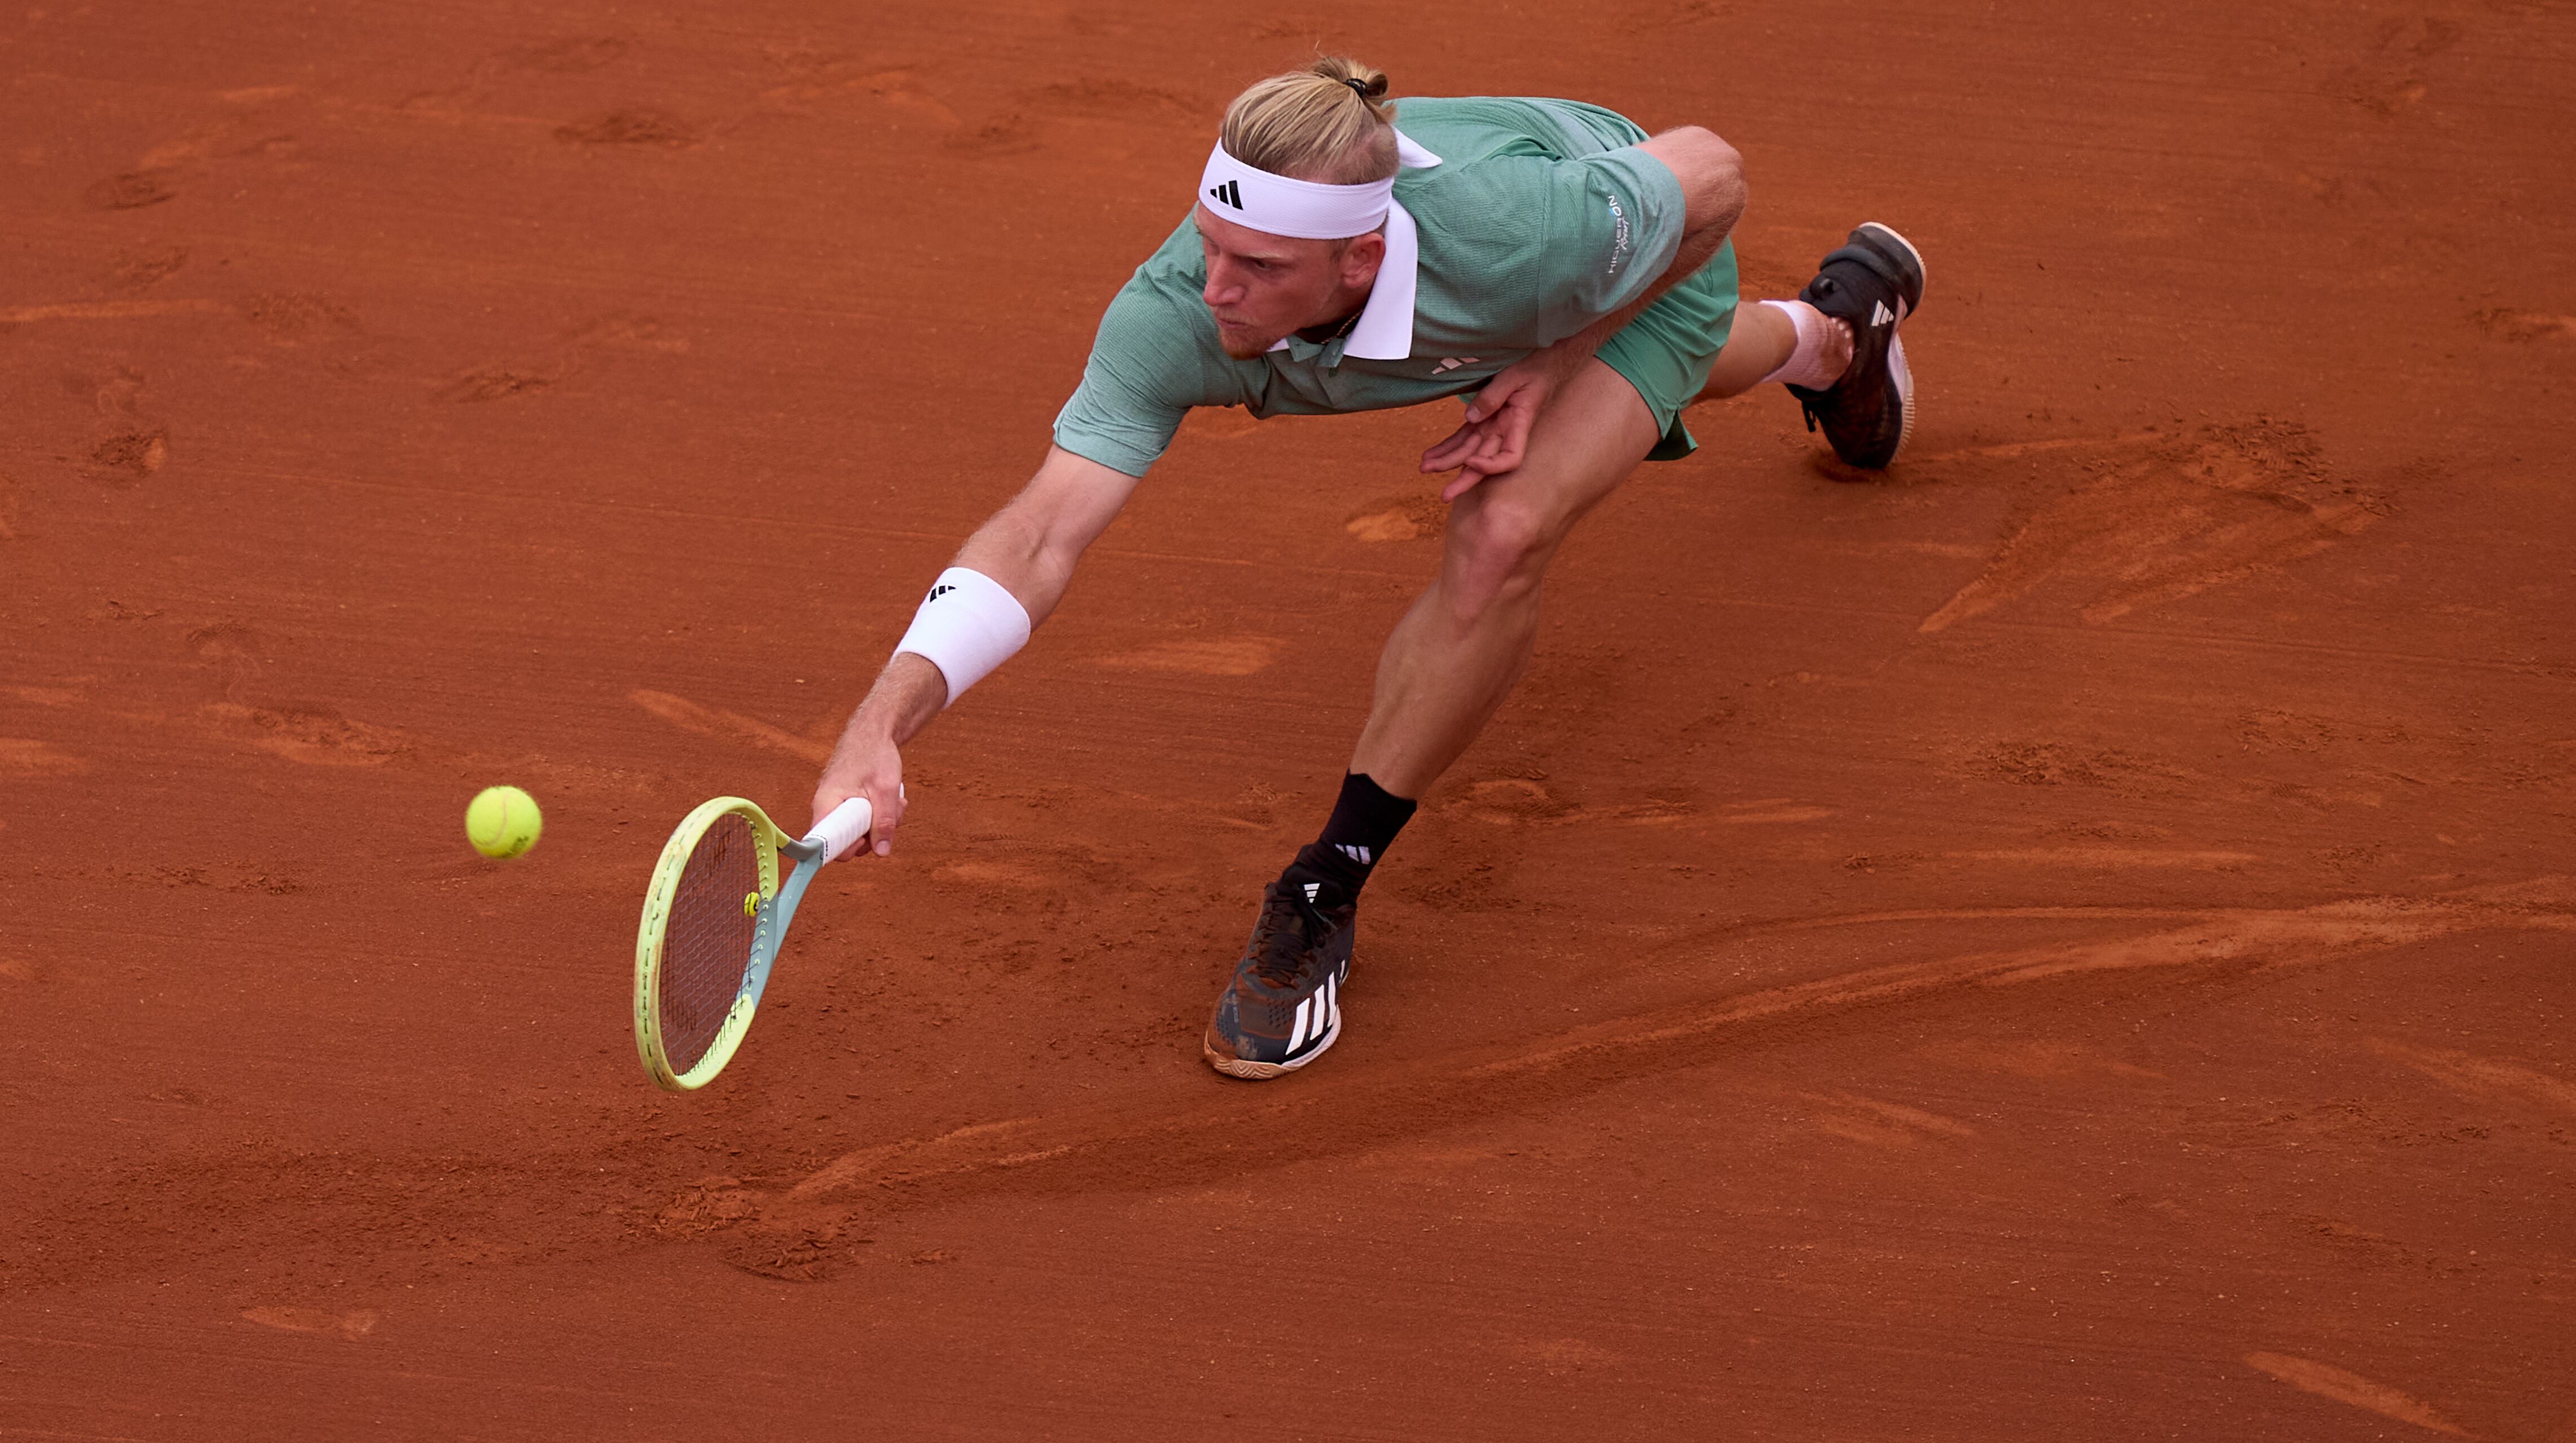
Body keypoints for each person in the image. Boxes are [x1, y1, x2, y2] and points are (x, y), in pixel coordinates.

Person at [810, 59, 1924, 1078]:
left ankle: (1325, 881)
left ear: (1362, 256)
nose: (1216, 291)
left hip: (1614, 259)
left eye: (1258, 267)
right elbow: (1040, 531)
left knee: (1504, 525)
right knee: (1633, 378)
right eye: (1208, 244)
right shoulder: (1175, 313)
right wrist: (884, 720)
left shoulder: (1524, 234)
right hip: (1500, 305)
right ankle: (1832, 337)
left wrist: (1555, 352)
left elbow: (1714, 175)